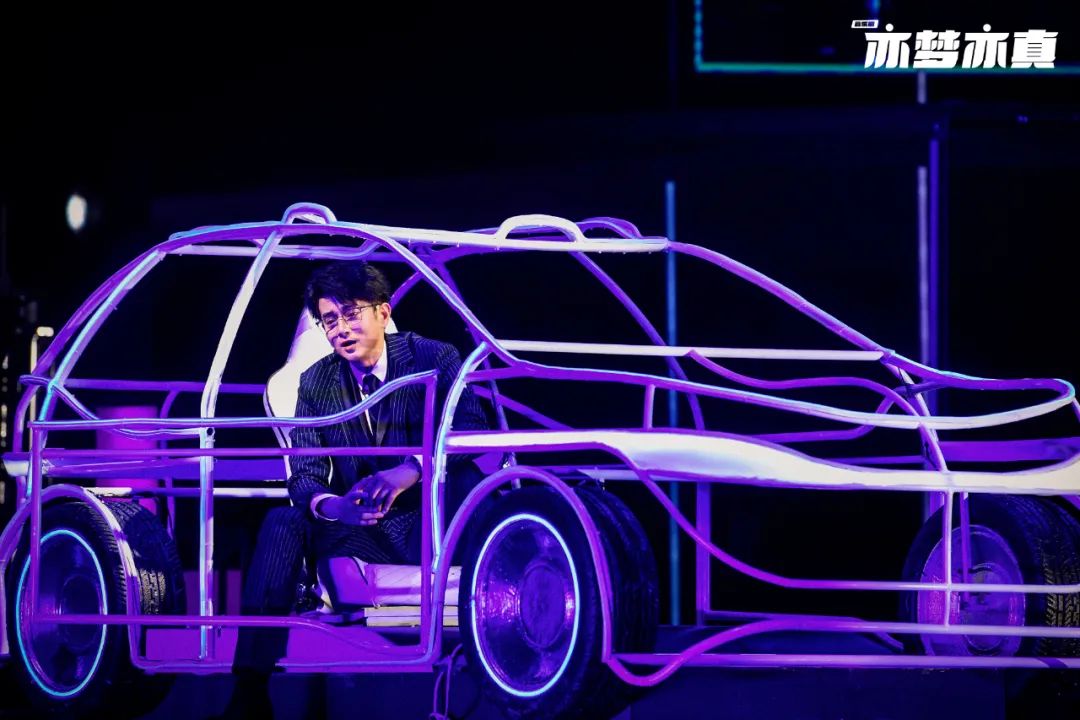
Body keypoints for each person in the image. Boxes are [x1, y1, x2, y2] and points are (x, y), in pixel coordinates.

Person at [220, 261, 488, 717]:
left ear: (383, 312)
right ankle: (249, 692)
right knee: (284, 519)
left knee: (472, 481)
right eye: (330, 320)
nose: (341, 329)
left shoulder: (432, 357)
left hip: (430, 523)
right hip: (360, 530)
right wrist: (336, 507)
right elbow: (304, 475)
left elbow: (471, 430)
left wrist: (410, 471)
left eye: (351, 314)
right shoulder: (316, 381)